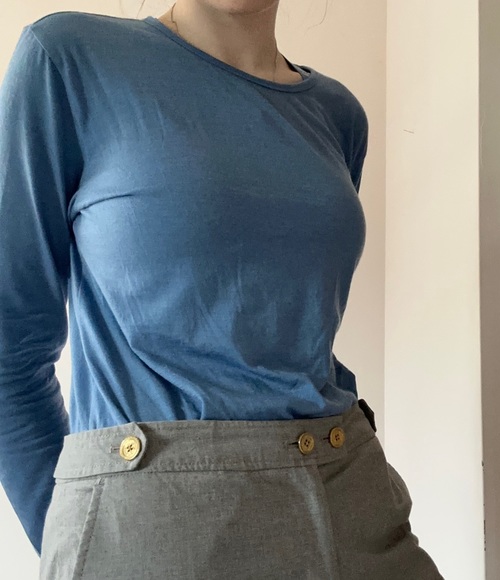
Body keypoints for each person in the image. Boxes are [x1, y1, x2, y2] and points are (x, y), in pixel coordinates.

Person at [0, 1, 445, 578]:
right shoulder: (69, 58)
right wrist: (81, 537)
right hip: (149, 529)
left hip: (351, 496)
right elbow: (9, 346)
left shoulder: (339, 114)